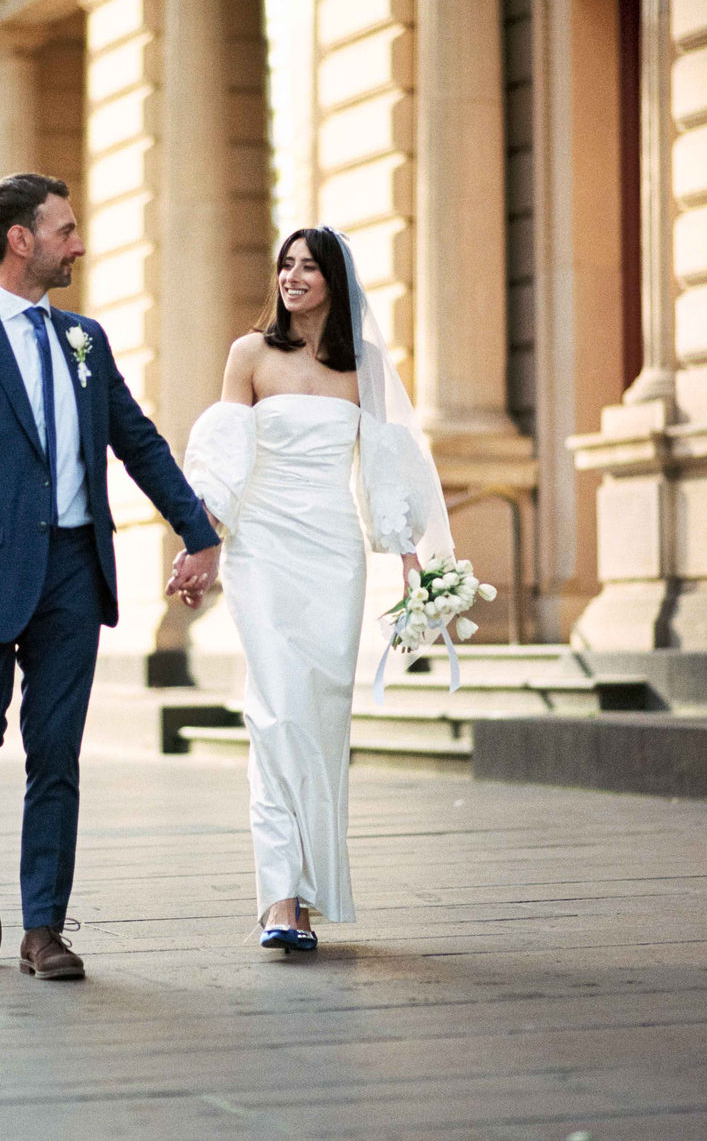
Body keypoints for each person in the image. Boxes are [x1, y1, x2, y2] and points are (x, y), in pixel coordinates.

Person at [0, 173, 220, 980]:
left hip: (74, 570)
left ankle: (43, 929)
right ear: (20, 240)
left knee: (56, 753)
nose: (78, 243)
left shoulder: (86, 340)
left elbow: (136, 441)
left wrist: (198, 532)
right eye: (64, 230)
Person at [180, 227, 453, 952]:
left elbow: (386, 467)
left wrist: (407, 558)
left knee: (322, 714)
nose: (293, 276)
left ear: (333, 281)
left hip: (333, 553)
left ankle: (311, 889)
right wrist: (200, 543)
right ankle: (278, 900)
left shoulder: (360, 367)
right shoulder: (248, 355)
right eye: (285, 264)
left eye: (307, 266)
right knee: (273, 711)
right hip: (261, 550)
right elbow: (223, 460)